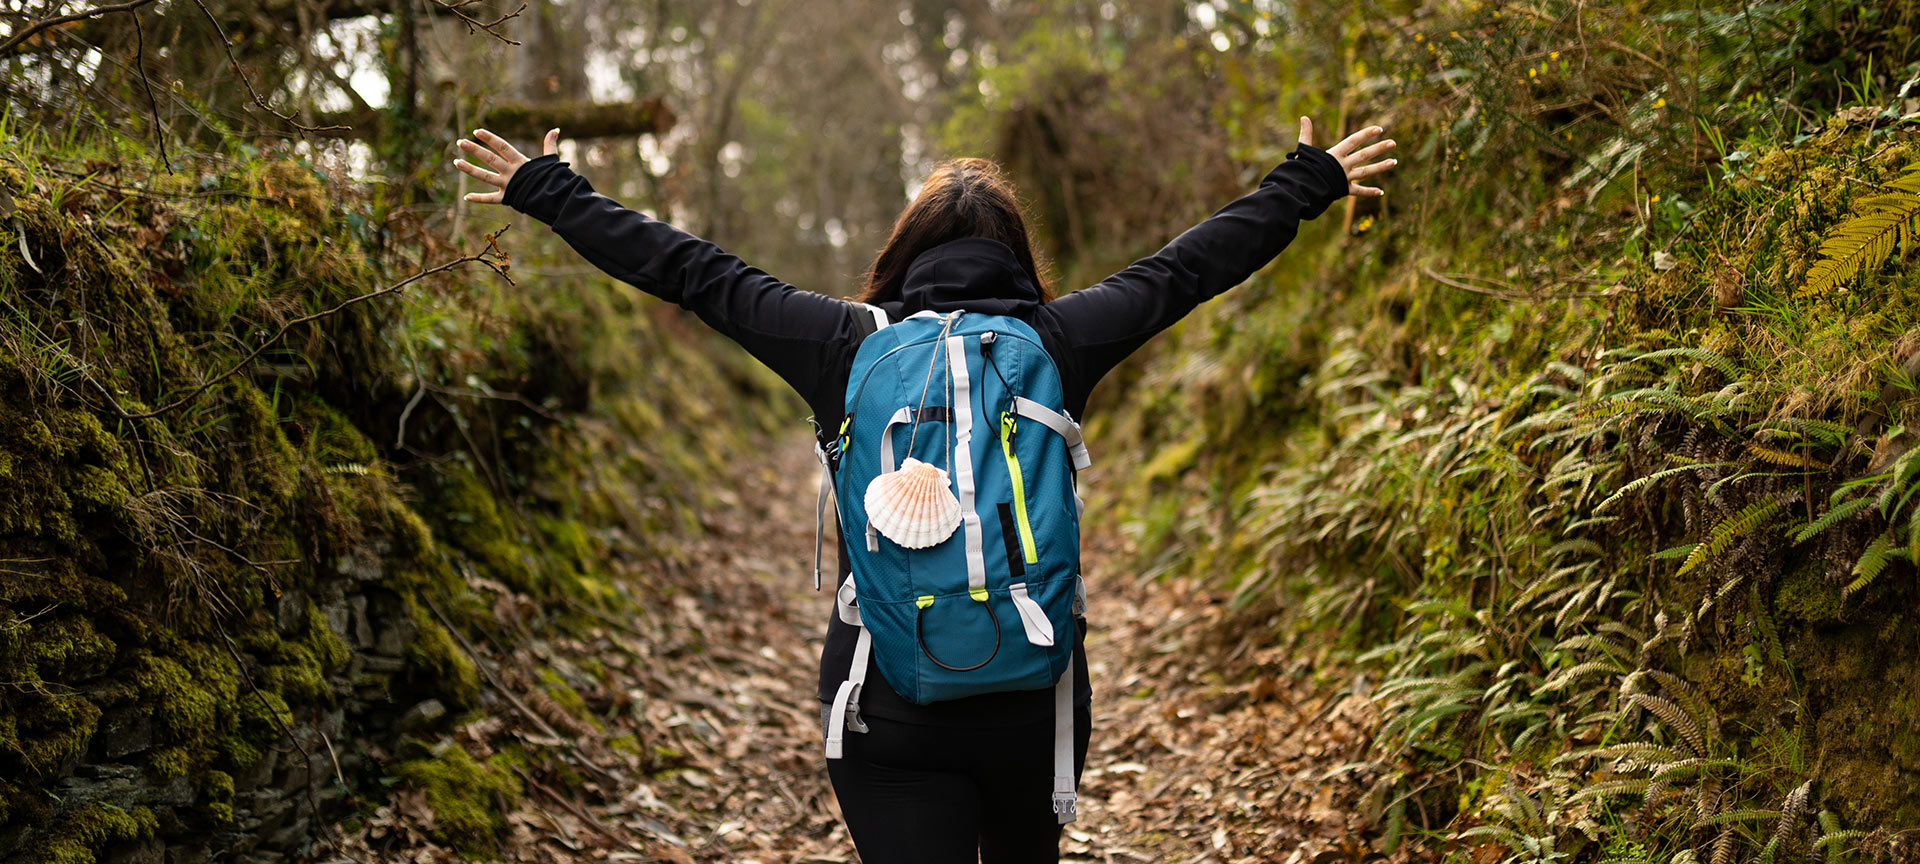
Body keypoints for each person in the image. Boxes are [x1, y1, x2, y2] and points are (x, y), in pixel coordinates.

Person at [454, 117, 1395, 863]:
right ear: (1019, 258)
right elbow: (1187, 270)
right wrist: (1304, 182)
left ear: (902, 253)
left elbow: (696, 274)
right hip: (1036, 695)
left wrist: (555, 195)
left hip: (885, 703)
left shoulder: (842, 342)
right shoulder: (1063, 342)